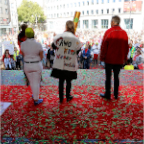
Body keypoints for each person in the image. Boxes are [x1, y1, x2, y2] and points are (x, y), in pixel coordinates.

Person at [51, 20, 82, 103]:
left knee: (61, 81)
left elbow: (53, 46)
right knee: (69, 81)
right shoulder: (76, 39)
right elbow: (78, 50)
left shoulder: (59, 37)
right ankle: (68, 96)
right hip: (70, 63)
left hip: (60, 62)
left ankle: (61, 98)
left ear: (66, 27)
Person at [100, 16, 129, 100]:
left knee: (108, 77)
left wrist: (102, 57)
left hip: (109, 59)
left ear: (113, 22)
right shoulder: (124, 33)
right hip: (119, 59)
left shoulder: (109, 32)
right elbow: (126, 47)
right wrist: (125, 58)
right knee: (116, 77)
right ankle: (116, 94)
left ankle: (108, 94)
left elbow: (104, 46)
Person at [21, 28, 43, 105]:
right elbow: (41, 57)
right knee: (36, 82)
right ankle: (36, 99)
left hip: (27, 65)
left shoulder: (22, 44)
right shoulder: (38, 44)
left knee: (32, 82)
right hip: (36, 64)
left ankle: (35, 95)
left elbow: (23, 55)